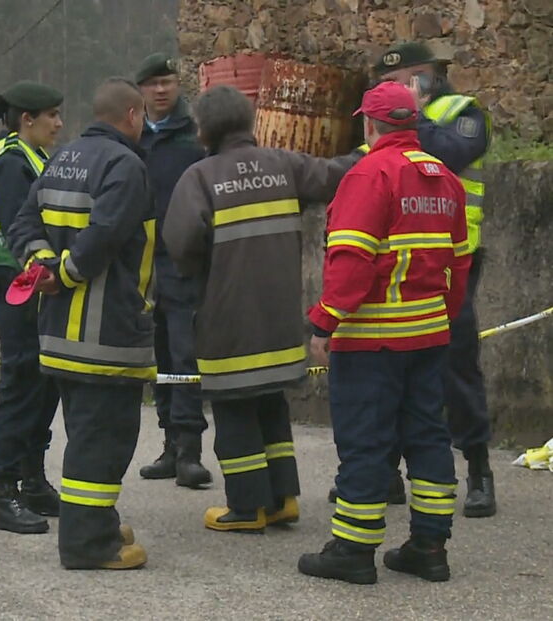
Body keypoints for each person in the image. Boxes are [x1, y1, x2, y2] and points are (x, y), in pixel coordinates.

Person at [163, 85, 358, 534]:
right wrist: (378, 144)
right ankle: (283, 499)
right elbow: (336, 175)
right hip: (280, 321)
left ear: (204, 129)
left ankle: (248, 508)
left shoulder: (200, 178)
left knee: (233, 411)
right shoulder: (283, 165)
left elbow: (182, 245)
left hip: (227, 320)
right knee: (272, 405)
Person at [298, 82, 470, 584]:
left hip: (372, 339)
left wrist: (324, 321)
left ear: (369, 126)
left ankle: (352, 550)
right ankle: (430, 547)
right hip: (429, 336)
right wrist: (443, 318)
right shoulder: (445, 179)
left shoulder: (367, 174)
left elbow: (351, 260)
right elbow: (458, 267)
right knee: (429, 438)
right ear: (412, 123)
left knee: (366, 443)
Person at [327, 41, 495, 517]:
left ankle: (479, 470)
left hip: (450, 261)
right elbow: (355, 168)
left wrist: (408, 114)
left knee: (456, 366)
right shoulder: (385, 122)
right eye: (389, 85)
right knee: (391, 374)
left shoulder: (463, 114)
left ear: (431, 75)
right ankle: (387, 475)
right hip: (392, 267)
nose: (398, 89)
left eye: (408, 80)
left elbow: (447, 153)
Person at [8, 78, 155, 569]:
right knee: (105, 440)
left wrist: (44, 266)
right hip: (107, 335)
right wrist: (66, 273)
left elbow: (22, 226)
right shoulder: (125, 166)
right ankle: (89, 543)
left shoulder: (60, 159)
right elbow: (107, 234)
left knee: (86, 434)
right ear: (132, 115)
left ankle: (96, 522)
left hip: (58, 335)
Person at [0, 81, 64, 534]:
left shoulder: (35, 158)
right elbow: (21, 229)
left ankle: (33, 478)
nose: (59, 123)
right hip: (17, 280)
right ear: (27, 119)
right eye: (51, 114)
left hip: (35, 280)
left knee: (43, 378)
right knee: (21, 378)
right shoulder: (13, 164)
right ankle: (5, 489)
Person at [134, 53, 211, 488]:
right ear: (140, 91)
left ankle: (190, 450)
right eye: (152, 83)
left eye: (167, 82)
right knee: (158, 355)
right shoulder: (132, 138)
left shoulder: (195, 138)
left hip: (183, 261)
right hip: (141, 266)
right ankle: (167, 442)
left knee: (184, 355)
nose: (161, 90)